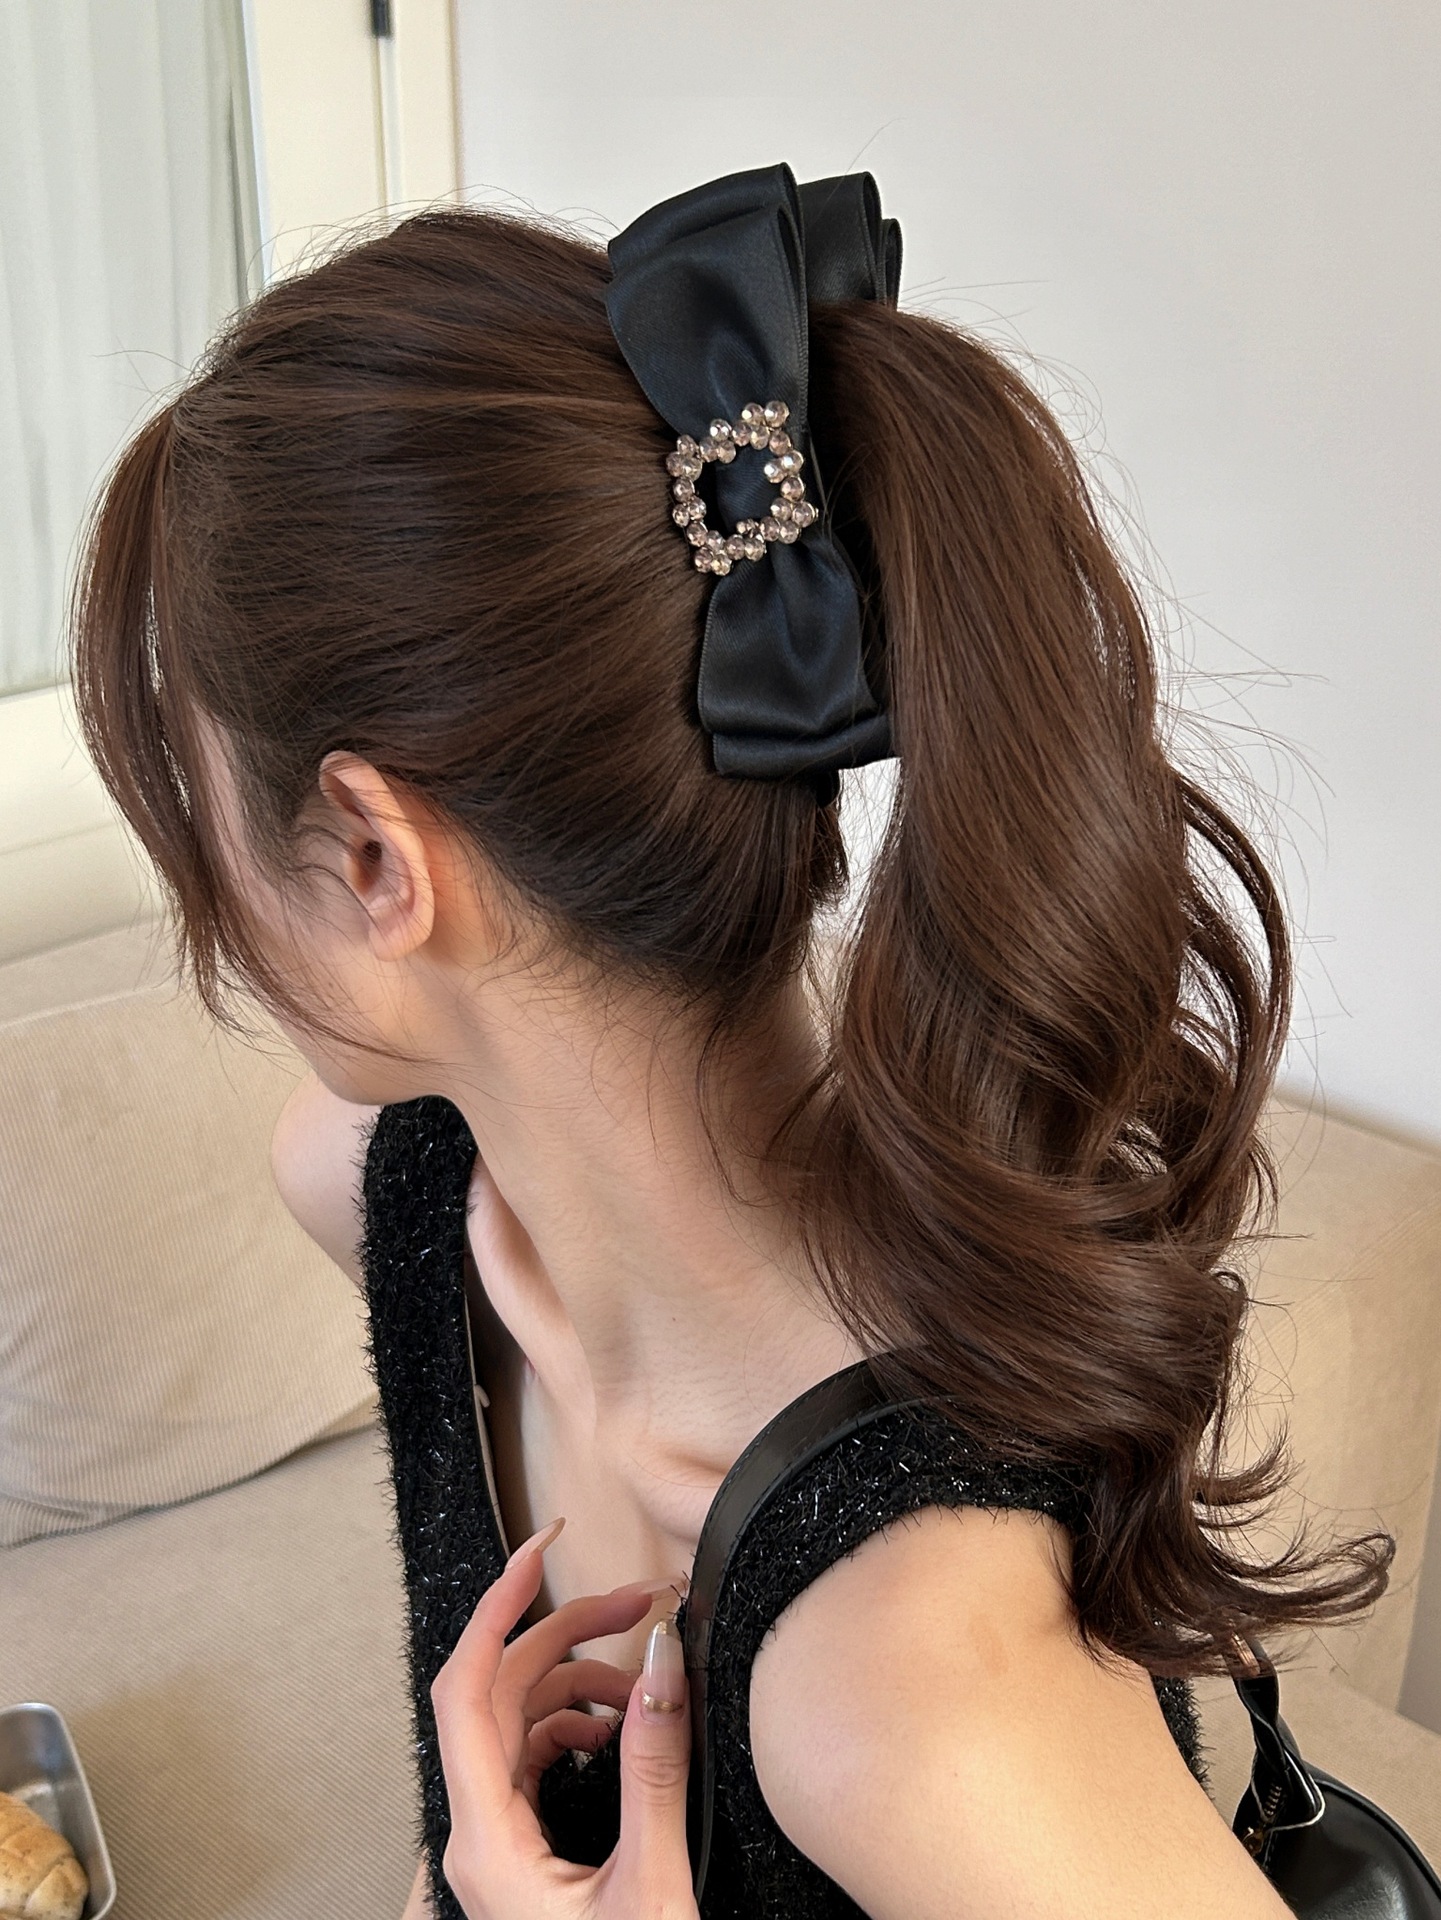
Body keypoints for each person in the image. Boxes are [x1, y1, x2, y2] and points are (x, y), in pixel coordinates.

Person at [72, 166, 1388, 1920]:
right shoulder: (385, 1192)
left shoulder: (905, 1678)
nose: (201, 883)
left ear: (380, 859)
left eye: (192, 794)